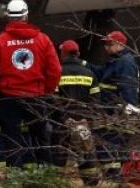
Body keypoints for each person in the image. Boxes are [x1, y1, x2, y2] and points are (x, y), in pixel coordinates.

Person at [0, 0, 61, 168]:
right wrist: (46, 90)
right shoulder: (43, 40)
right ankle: (46, 177)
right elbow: (55, 70)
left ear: (8, 17)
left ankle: (15, 177)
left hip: (8, 99)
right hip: (36, 96)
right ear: (26, 16)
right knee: (41, 137)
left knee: (12, 139)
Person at [50, 40, 100, 186]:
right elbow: (96, 101)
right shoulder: (90, 74)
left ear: (62, 54)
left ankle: (55, 183)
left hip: (62, 123)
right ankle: (91, 183)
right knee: (86, 152)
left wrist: (65, 118)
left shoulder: (57, 72)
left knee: (59, 154)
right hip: (83, 123)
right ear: (78, 54)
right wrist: (86, 119)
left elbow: (53, 100)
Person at [94, 30, 139, 182]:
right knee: (110, 148)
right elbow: (101, 74)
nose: (106, 47)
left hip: (118, 114)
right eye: (105, 44)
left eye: (110, 44)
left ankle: (114, 180)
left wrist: (127, 108)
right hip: (111, 112)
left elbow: (128, 87)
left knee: (111, 148)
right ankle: (114, 179)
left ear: (120, 44)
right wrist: (83, 64)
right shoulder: (116, 61)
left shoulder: (125, 62)